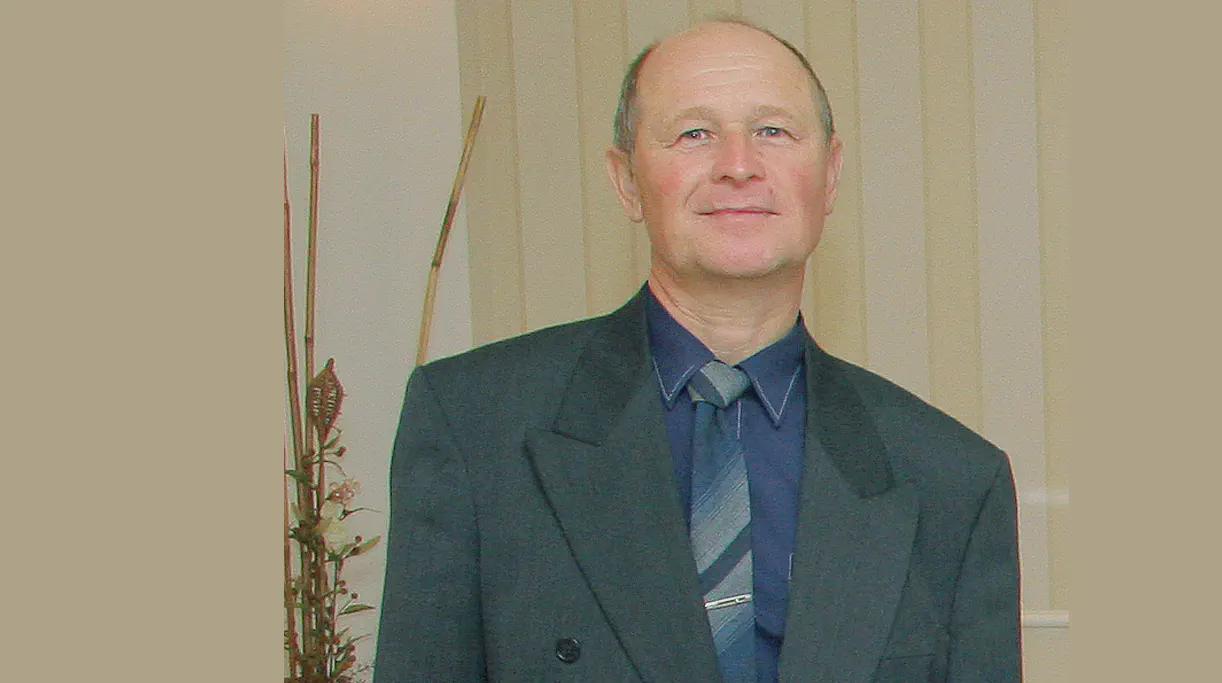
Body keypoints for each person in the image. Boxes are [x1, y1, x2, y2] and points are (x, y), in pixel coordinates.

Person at [373, 19, 1020, 683]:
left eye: (773, 130)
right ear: (626, 180)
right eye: (694, 134)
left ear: (829, 176)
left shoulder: (950, 478)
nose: (738, 165)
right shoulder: (474, 426)